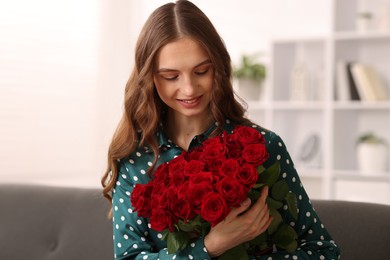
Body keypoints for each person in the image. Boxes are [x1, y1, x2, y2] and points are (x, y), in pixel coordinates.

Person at [101, 1, 340, 259]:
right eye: (171, 76)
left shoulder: (262, 147)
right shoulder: (135, 158)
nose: (189, 89)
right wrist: (211, 246)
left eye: (201, 71)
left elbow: (323, 252)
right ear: (149, 78)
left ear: (219, 66)